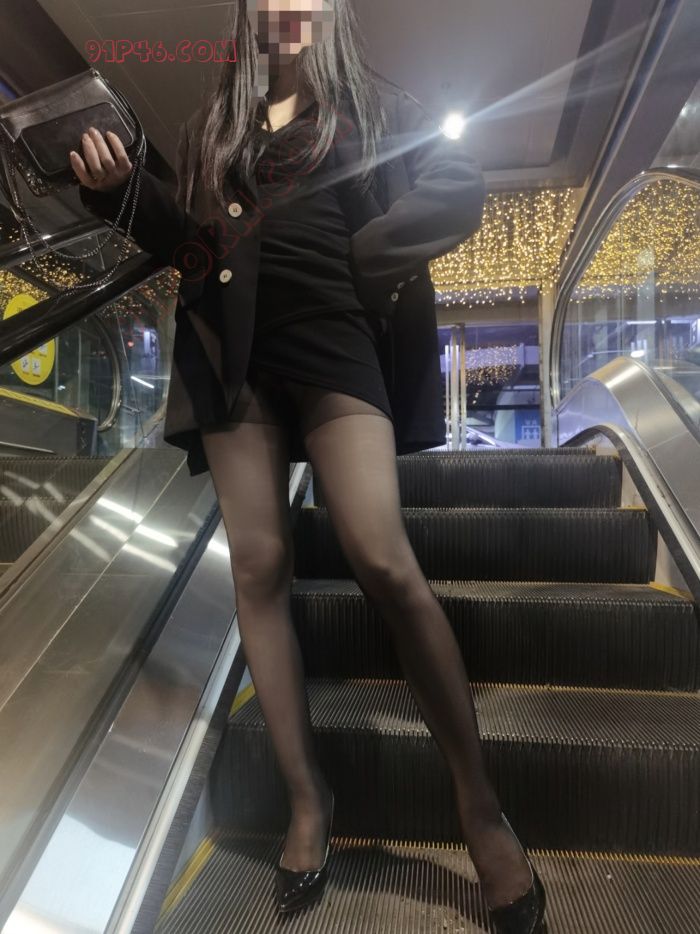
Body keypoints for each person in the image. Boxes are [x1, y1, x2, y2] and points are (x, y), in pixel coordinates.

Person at [71, 1, 546, 930]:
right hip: (237, 357)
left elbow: (457, 185)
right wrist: (120, 192)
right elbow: (190, 249)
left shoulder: (379, 107)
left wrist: (365, 260)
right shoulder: (212, 128)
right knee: (257, 564)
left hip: (337, 338)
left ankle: (479, 807)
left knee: (382, 556)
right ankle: (305, 798)